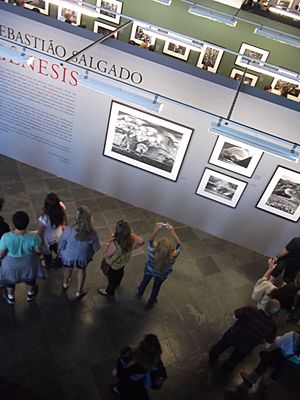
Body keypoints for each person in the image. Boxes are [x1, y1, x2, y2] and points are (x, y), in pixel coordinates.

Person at [209, 299, 281, 373]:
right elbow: (267, 345)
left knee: (220, 347)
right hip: (246, 345)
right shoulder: (272, 327)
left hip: (233, 334)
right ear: (276, 314)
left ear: (265, 305)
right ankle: (225, 368)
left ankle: (212, 358)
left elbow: (234, 317)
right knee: (235, 359)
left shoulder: (249, 309)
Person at [0, 211, 43, 304]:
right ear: (27, 223)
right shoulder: (34, 237)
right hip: (28, 264)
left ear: (13, 224)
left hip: (11, 265)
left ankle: (11, 296)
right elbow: (38, 250)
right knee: (31, 279)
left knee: (10, 281)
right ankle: (30, 294)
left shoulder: (6, 237)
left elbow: (1, 254)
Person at [136, 222, 182, 308]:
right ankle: (151, 301)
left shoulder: (152, 251)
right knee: (156, 288)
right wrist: (172, 231)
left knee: (144, 282)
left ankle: (139, 293)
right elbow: (179, 245)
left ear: (157, 246)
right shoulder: (173, 256)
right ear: (171, 249)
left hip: (149, 270)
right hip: (162, 275)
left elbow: (150, 240)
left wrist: (156, 229)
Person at [59, 206, 100, 299]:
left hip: (68, 256)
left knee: (68, 269)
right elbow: (96, 248)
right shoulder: (93, 233)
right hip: (83, 258)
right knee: (81, 271)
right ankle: (79, 291)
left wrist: (61, 251)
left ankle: (65, 283)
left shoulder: (69, 229)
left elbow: (61, 242)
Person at [111, 334, 167, 400]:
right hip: (137, 386)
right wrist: (160, 377)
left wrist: (120, 358)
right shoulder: (154, 356)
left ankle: (117, 390)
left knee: (125, 389)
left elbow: (120, 374)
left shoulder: (134, 362)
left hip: (132, 385)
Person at [98, 220, 144, 297]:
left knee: (111, 279)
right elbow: (141, 241)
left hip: (113, 266)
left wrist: (108, 243)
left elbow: (105, 255)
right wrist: (127, 234)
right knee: (120, 273)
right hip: (122, 263)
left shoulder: (115, 244)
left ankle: (109, 291)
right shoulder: (131, 241)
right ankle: (117, 282)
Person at [38, 193, 67, 268]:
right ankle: (59, 262)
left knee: (47, 254)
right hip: (59, 236)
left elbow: (40, 233)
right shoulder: (62, 209)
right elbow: (65, 222)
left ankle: (48, 263)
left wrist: (39, 244)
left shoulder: (44, 218)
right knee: (59, 251)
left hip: (48, 240)